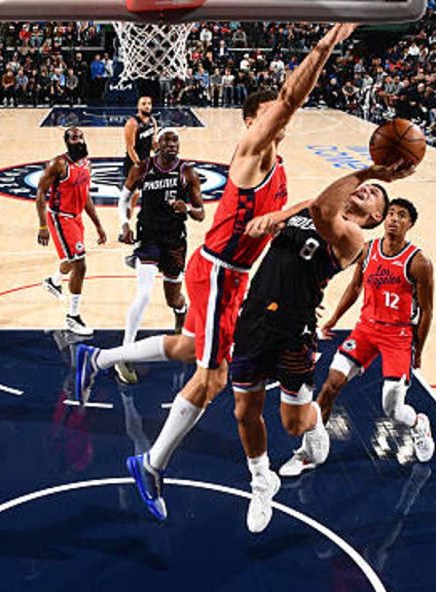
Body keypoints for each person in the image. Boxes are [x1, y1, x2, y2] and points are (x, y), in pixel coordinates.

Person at [75, 23, 359, 521]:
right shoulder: (252, 153)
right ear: (251, 120)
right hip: (220, 272)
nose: (280, 117)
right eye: (268, 113)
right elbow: (290, 98)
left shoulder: (278, 162)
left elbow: (303, 207)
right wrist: (326, 43)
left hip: (228, 274)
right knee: (212, 379)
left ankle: (96, 359)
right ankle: (150, 464)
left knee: (189, 347)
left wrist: (288, 211)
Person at [230, 166, 410, 533]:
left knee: (292, 424)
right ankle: (262, 481)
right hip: (253, 316)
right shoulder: (312, 206)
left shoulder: (352, 238)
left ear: (375, 217)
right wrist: (271, 220)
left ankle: (314, 426)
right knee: (244, 411)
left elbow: (322, 210)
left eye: (374, 194)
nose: (365, 190)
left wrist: (371, 171)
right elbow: (296, 211)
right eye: (365, 187)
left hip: (294, 329)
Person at [283, 198, 435, 478]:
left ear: (410, 224)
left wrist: (419, 350)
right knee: (330, 385)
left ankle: (418, 424)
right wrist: (334, 319)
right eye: (391, 213)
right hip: (365, 330)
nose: (394, 219)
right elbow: (354, 288)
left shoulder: (418, 262)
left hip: (398, 335)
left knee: (392, 408)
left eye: (401, 216)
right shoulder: (368, 249)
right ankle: (309, 452)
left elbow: (427, 310)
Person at [114, 129, 206, 384]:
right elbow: (123, 200)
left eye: (175, 141)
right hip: (149, 239)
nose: (172, 145)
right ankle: (124, 354)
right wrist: (125, 225)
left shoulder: (187, 173)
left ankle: (181, 311)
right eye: (167, 141)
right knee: (143, 294)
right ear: (157, 144)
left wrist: (186, 208)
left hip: (174, 241)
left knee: (173, 298)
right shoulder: (142, 169)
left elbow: (201, 214)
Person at [37, 127, 107, 336]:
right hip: (61, 217)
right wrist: (42, 226)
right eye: (74, 138)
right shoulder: (58, 164)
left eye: (81, 137)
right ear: (67, 142)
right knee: (80, 264)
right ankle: (72, 317)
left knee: (72, 258)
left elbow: (85, 196)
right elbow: (41, 193)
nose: (79, 141)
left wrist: (98, 224)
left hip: (76, 217)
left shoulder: (86, 164)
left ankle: (54, 281)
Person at [123, 95, 158, 181]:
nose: (147, 106)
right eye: (144, 104)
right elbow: (130, 148)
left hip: (146, 161)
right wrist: (139, 165)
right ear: (138, 106)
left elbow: (153, 143)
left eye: (149, 104)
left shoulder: (152, 121)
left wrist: (161, 151)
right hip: (133, 163)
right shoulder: (132, 123)